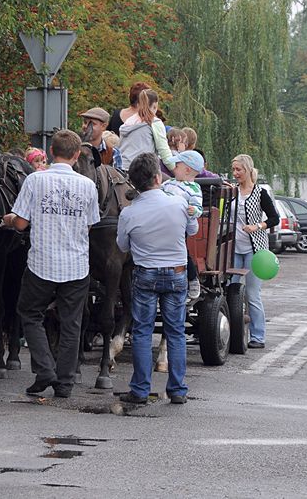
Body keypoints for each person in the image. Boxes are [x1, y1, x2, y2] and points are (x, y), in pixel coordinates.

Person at [3, 129, 99, 398]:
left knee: (30, 314)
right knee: (71, 323)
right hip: (76, 265)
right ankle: (65, 382)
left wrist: (9, 219)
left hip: (42, 262)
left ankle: (45, 368)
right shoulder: (88, 186)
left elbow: (21, 223)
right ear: (77, 155)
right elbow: (90, 225)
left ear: (51, 151)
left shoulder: (35, 180)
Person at [116, 152, 197, 405]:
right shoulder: (179, 204)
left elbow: (122, 246)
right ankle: (178, 389)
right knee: (175, 332)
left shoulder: (128, 214)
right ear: (158, 177)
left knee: (141, 331)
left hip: (146, 274)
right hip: (176, 273)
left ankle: (140, 390)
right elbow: (192, 230)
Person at [230, 154, 279, 349]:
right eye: (233, 170)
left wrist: (257, 226)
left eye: (238, 170)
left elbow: (274, 217)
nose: (235, 174)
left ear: (248, 170)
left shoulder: (260, 193)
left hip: (254, 250)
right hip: (233, 248)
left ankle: (257, 336)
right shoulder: (231, 191)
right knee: (229, 292)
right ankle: (228, 333)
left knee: (252, 293)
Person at [161, 150, 204, 301]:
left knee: (182, 252)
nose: (174, 168)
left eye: (177, 165)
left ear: (187, 170)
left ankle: (192, 279)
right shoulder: (168, 183)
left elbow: (198, 207)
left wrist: (194, 210)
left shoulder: (194, 189)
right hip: (163, 223)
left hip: (179, 226)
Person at [118, 89, 174, 172]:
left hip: (124, 169)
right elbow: (164, 151)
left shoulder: (127, 123)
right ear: (155, 106)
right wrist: (174, 169)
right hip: (144, 170)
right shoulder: (154, 123)